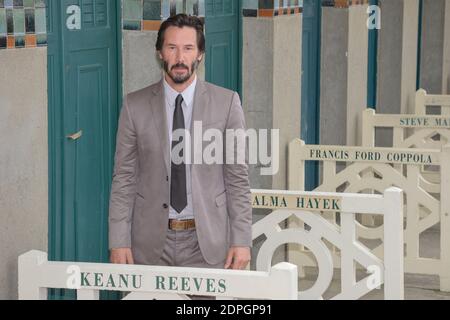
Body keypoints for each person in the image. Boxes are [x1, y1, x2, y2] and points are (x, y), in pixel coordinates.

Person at [108, 14, 252, 276]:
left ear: (200, 54)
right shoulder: (134, 106)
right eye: (172, 47)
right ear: (160, 52)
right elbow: (124, 178)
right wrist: (119, 240)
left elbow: (237, 177)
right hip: (149, 243)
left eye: (188, 48)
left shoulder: (227, 103)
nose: (179, 57)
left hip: (206, 241)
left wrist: (241, 239)